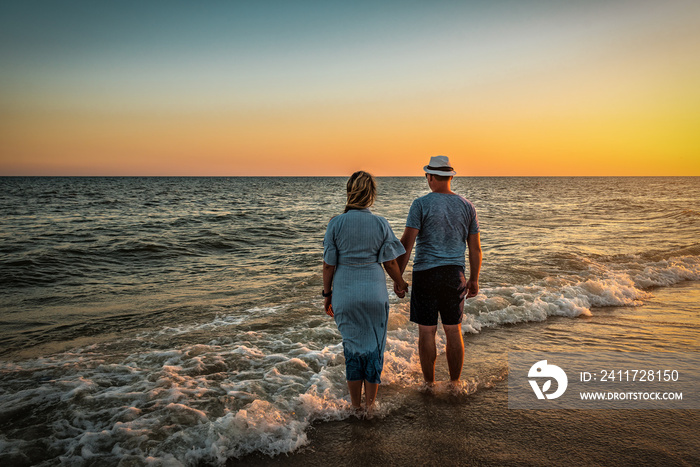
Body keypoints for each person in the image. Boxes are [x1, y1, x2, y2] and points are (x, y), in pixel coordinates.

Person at [323, 171, 409, 412]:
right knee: (374, 350)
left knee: (351, 350)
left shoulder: (335, 224)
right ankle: (371, 408)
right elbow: (390, 263)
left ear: (349, 191)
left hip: (345, 295)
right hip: (374, 294)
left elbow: (329, 265)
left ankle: (355, 407)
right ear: (371, 194)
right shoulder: (380, 223)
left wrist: (327, 295)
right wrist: (400, 284)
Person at [394, 155, 482, 388]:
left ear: (431, 177)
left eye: (427, 176)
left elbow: (407, 243)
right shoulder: (467, 206)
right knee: (454, 331)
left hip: (426, 274)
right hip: (455, 275)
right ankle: (455, 384)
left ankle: (429, 385)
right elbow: (475, 248)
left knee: (427, 332)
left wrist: (398, 277)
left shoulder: (420, 204)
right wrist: (474, 279)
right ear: (450, 177)